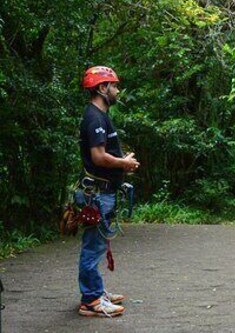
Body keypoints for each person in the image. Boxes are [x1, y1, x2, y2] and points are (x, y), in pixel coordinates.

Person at [77, 66, 140, 318]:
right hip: (96, 194)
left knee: (97, 245)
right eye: (113, 86)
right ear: (102, 88)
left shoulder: (100, 116)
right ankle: (91, 300)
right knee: (92, 247)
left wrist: (123, 162)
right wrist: (123, 163)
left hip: (103, 192)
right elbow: (98, 157)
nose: (117, 90)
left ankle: (95, 290)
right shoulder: (94, 118)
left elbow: (104, 156)